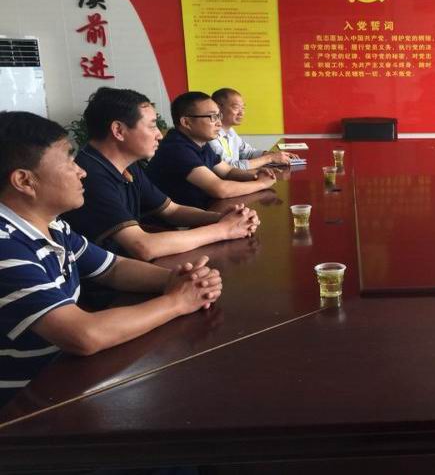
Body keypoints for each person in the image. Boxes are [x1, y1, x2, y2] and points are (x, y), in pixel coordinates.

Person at [0, 112, 222, 406]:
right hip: (23, 409)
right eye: (68, 161)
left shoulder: (53, 226)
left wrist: (180, 279)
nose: (81, 172)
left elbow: (113, 268)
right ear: (24, 180)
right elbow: (83, 335)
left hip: (62, 379)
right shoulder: (5, 245)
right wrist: (177, 301)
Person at [63, 87, 260, 261]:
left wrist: (222, 218)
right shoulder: (90, 175)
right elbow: (143, 246)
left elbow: (172, 210)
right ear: (118, 131)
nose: (159, 134)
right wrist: (224, 229)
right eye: (152, 125)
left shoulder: (128, 165)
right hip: (112, 282)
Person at [146, 92, 276, 209]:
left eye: (219, 116)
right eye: (212, 117)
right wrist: (261, 184)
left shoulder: (200, 141)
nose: (219, 123)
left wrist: (255, 176)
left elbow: (228, 171)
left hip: (200, 211)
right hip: (173, 224)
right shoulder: (176, 148)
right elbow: (220, 189)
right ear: (186, 122)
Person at [209, 88, 298, 169]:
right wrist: (269, 158)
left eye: (243, 108)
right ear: (218, 108)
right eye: (236, 107)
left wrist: (274, 155)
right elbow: (228, 167)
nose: (241, 113)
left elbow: (248, 152)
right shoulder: (210, 135)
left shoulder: (230, 131)